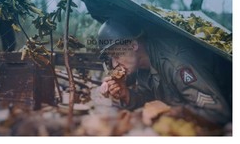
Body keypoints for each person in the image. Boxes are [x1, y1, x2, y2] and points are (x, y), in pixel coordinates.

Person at [98, 17, 231, 126]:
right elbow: (148, 99)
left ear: (133, 45)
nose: (115, 64)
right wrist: (127, 95)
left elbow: (219, 114)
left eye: (117, 55)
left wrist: (170, 112)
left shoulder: (176, 63)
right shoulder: (141, 66)